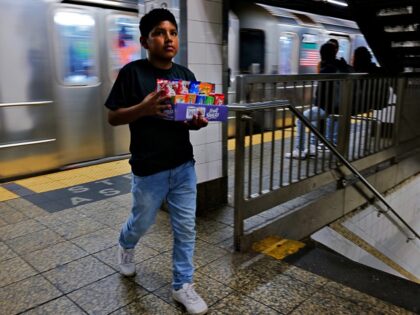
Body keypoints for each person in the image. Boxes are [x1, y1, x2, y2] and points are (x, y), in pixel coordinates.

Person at [104, 9, 208, 315]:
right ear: (145, 41)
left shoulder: (185, 77)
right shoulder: (132, 73)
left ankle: (182, 285)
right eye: (160, 33)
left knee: (186, 227)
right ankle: (125, 244)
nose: (169, 38)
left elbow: (190, 118)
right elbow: (113, 117)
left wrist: (197, 122)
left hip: (183, 165)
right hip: (149, 168)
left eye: (173, 32)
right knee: (142, 221)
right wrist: (144, 108)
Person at [286, 42, 350, 159]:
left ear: (322, 54)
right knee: (313, 119)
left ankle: (299, 150)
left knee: (301, 119)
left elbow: (322, 92)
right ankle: (312, 148)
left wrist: (317, 103)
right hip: (339, 107)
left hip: (328, 108)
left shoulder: (327, 69)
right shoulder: (340, 66)